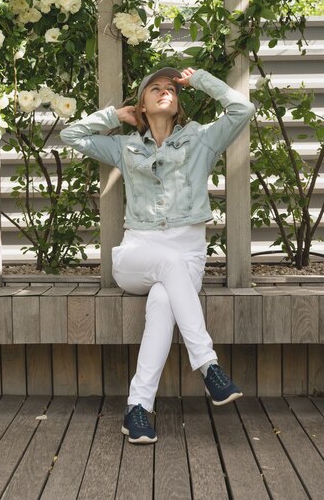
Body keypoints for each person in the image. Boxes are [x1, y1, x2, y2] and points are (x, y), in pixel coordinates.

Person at [60, 66, 255, 444]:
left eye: (171, 88)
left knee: (165, 299)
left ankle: (138, 408)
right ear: (143, 105)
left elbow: (242, 110)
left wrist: (198, 79)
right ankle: (208, 365)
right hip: (138, 254)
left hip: (187, 254)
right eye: (155, 88)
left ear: (178, 102)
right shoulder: (124, 146)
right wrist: (116, 115)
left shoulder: (201, 140)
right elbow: (71, 134)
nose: (165, 91)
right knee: (167, 266)